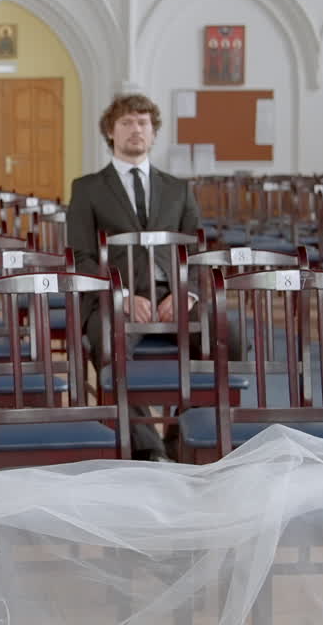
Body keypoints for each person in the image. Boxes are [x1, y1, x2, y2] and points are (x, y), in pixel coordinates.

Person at [66, 93, 200, 461]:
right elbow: (80, 256)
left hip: (173, 294)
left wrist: (186, 294)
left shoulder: (179, 189)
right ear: (110, 132)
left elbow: (198, 252)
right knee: (110, 343)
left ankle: (188, 437)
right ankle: (149, 449)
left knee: (230, 335)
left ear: (154, 132)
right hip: (115, 296)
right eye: (126, 122)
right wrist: (121, 295)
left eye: (143, 123)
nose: (135, 129)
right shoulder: (87, 188)